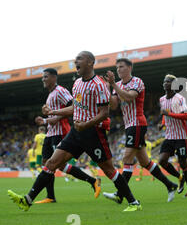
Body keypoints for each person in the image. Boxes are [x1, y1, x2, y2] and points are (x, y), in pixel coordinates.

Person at [8, 51, 141, 212]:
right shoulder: (77, 83)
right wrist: (53, 112)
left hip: (94, 133)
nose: (75, 61)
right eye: (76, 59)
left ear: (90, 62)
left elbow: (105, 113)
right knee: (51, 163)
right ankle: (27, 200)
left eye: (79, 59)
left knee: (109, 170)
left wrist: (86, 125)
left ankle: (134, 203)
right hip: (75, 133)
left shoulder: (98, 85)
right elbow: (74, 108)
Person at [102, 58, 177, 204]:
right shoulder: (117, 84)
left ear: (130, 67)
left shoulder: (137, 81)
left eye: (121, 67)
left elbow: (130, 97)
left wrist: (113, 86)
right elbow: (114, 105)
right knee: (144, 162)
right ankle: (170, 185)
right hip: (129, 125)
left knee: (127, 158)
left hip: (137, 123)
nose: (118, 70)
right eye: (117, 67)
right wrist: (107, 89)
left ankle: (120, 193)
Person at [34, 67, 101, 204]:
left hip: (60, 132)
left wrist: (53, 114)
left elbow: (74, 107)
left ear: (54, 77)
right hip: (50, 132)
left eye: (46, 76)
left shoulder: (60, 91)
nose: (43, 79)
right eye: (43, 77)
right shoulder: (50, 95)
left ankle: (93, 180)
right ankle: (50, 196)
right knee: (46, 164)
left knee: (57, 164)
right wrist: (45, 120)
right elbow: (53, 116)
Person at [159, 74, 187, 198]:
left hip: (181, 136)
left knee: (183, 163)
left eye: (168, 81)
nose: (165, 83)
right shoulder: (162, 99)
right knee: (162, 161)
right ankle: (180, 177)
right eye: (164, 81)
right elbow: (165, 114)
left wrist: (169, 114)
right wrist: (162, 123)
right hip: (169, 136)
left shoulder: (180, 98)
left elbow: (186, 116)